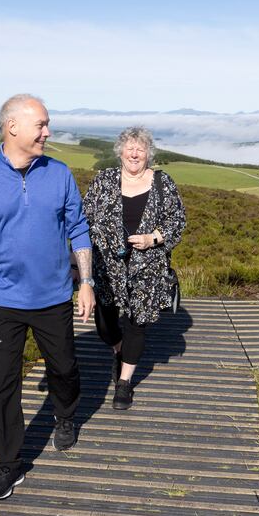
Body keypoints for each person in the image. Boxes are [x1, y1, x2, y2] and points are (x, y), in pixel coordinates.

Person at [0, 94, 95, 500]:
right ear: (12, 127)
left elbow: (79, 229)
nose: (48, 132)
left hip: (53, 297)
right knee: (3, 385)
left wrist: (86, 282)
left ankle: (64, 415)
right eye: (42, 125)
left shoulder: (60, 173)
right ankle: (8, 464)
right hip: (3, 302)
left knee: (64, 370)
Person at [83, 126, 186, 410]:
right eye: (130, 147)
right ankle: (120, 351)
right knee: (105, 325)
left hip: (148, 268)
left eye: (140, 148)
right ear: (120, 151)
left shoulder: (163, 183)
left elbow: (177, 221)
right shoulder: (103, 180)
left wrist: (153, 238)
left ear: (148, 154)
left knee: (136, 324)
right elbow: (85, 218)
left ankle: (124, 383)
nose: (134, 153)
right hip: (106, 267)